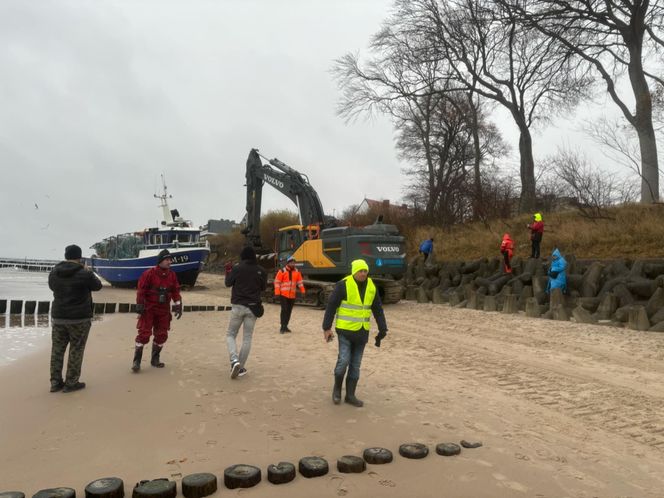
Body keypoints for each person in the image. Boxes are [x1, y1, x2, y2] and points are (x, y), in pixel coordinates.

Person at [322, 259, 388, 407]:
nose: (363, 273)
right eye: (361, 271)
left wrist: (383, 328)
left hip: (362, 332)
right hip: (345, 331)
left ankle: (350, 395)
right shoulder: (343, 285)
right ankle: (337, 391)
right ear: (354, 271)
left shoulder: (372, 286)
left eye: (365, 271)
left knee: (355, 365)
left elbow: (377, 309)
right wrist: (326, 328)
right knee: (344, 361)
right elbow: (331, 306)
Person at [48, 244, 102, 393]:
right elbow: (97, 286)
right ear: (79, 257)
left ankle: (55, 382)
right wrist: (89, 272)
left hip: (59, 317)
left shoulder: (54, 272)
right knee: (76, 350)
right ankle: (71, 382)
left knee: (57, 350)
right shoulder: (84, 273)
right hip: (79, 318)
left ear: (66, 256)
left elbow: (52, 287)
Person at [132, 249, 182, 372]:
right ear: (160, 261)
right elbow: (141, 290)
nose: (169, 262)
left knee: (162, 334)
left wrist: (178, 304)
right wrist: (139, 307)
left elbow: (175, 290)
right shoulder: (149, 273)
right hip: (149, 309)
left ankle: (155, 359)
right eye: (167, 259)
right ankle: (136, 362)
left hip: (164, 310)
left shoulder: (172, 275)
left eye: (170, 259)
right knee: (144, 334)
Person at [225, 246, 267, 379]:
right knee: (247, 338)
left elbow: (228, 283)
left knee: (230, 334)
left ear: (242, 256)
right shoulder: (261, 270)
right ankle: (240, 367)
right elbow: (263, 288)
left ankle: (234, 360)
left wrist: (228, 271)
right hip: (253, 308)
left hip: (238, 306)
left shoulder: (237, 268)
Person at [274, 256, 305, 333]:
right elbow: (277, 282)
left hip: (292, 295)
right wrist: (277, 293)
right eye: (291, 262)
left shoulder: (297, 272)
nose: (293, 263)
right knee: (284, 310)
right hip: (283, 294)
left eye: (294, 262)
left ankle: (286, 326)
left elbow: (300, 283)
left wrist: (303, 291)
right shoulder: (282, 271)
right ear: (288, 263)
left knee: (289, 311)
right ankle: (282, 327)